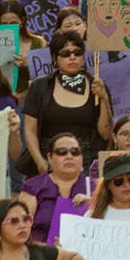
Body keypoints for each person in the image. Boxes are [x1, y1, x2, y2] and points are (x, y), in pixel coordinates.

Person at [22, 33, 110, 176]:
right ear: (55, 58)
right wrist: (39, 161)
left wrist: (104, 98)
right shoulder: (40, 86)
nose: (72, 57)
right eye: (65, 53)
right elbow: (30, 129)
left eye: (77, 52)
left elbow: (105, 133)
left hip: (86, 161)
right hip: (49, 159)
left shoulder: (97, 85)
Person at [18, 132, 93, 243]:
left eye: (75, 152)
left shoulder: (95, 186)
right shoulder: (34, 186)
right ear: (49, 157)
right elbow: (21, 227)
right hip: (41, 253)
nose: (69, 156)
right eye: (61, 152)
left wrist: (94, 202)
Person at [0, 199, 85, 260]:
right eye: (13, 221)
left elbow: (78, 259)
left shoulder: (40, 253)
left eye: (26, 219)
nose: (22, 225)